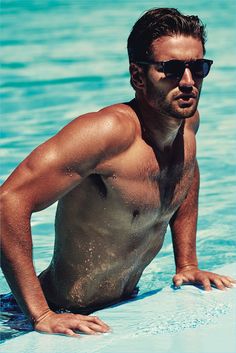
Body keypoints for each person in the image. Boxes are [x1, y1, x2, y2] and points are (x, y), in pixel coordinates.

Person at [1, 7, 235, 338]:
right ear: (138, 76)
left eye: (198, 67)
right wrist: (41, 315)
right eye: (170, 69)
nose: (187, 82)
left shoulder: (187, 125)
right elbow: (8, 201)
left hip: (119, 306)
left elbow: (186, 172)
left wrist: (187, 264)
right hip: (41, 314)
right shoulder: (105, 134)